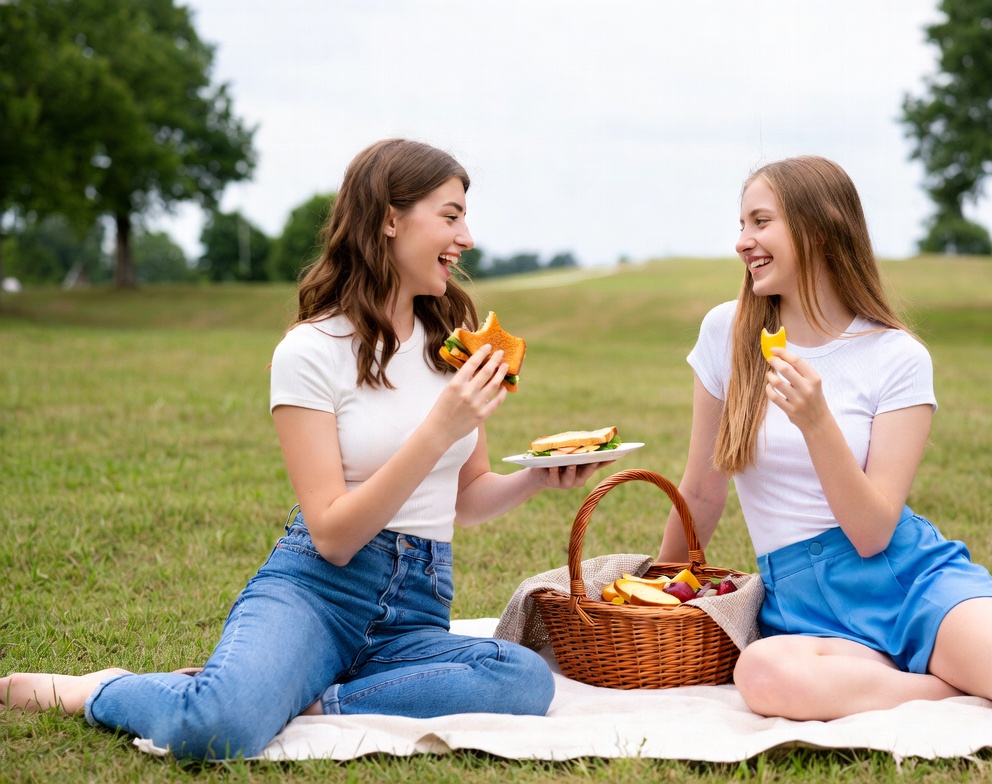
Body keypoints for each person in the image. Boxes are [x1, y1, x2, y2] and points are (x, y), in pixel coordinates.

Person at [0, 139, 604, 758]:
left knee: (523, 676)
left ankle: (316, 702)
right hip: (318, 593)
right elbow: (333, 536)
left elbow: (466, 496)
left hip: (417, 602)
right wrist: (438, 429)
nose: (467, 236)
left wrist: (539, 477)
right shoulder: (311, 351)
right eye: (450, 216)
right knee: (218, 729)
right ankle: (100, 690)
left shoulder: (449, 344)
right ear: (390, 219)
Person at [658, 155, 992, 729]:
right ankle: (966, 689)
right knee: (762, 674)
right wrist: (650, 599)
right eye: (742, 224)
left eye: (760, 222)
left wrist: (817, 422)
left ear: (819, 230)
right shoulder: (727, 334)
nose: (742, 242)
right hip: (803, 608)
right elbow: (701, 491)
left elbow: (874, 533)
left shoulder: (897, 357)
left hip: (910, 583)